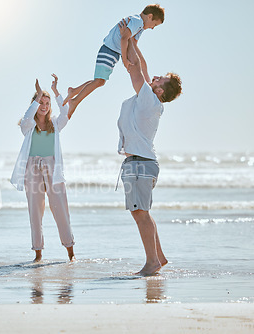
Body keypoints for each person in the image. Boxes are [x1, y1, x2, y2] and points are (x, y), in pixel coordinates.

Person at [117, 20, 182, 276]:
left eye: (159, 79)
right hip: (139, 162)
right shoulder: (145, 100)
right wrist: (130, 41)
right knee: (143, 213)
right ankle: (159, 257)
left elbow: (138, 69)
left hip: (140, 164)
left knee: (140, 213)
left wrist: (131, 38)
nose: (153, 77)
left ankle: (152, 263)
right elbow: (138, 67)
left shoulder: (149, 100)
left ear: (159, 90)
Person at [10, 74, 75, 262]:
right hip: (32, 169)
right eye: (41, 102)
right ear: (36, 104)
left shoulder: (56, 123)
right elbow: (26, 117)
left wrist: (55, 91)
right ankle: (38, 254)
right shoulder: (28, 127)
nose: (44, 106)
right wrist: (37, 95)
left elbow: (66, 112)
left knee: (60, 208)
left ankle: (71, 253)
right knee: (35, 210)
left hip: (53, 168)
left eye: (47, 103)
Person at [63, 4, 165, 119]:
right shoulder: (137, 21)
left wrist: (140, 65)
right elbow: (124, 38)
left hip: (113, 53)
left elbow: (133, 44)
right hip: (109, 50)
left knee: (100, 81)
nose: (152, 28)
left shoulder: (140, 27)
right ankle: (74, 101)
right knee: (99, 81)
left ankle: (74, 91)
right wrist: (125, 60)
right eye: (155, 25)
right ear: (150, 17)